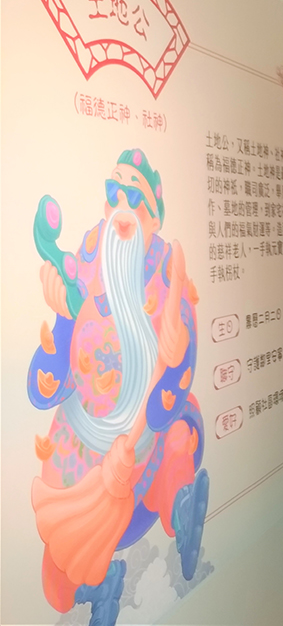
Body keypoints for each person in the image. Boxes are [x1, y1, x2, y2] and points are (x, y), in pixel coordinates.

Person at [29, 150, 207, 626]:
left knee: (176, 440)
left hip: (141, 440)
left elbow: (177, 365)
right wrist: (61, 306)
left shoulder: (165, 268)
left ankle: (182, 506)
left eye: (135, 197)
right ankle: (101, 582)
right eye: (115, 194)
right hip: (78, 439)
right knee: (55, 582)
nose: (122, 209)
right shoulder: (90, 253)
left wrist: (177, 342)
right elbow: (59, 352)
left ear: (154, 217)